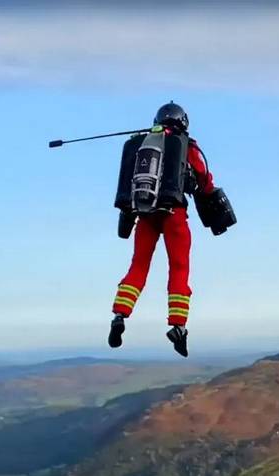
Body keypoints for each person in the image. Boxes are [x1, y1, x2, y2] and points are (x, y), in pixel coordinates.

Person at [108, 102, 216, 357]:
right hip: (174, 214)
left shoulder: (142, 145)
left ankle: (119, 316)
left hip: (144, 214)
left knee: (138, 267)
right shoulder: (186, 145)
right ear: (183, 122)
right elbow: (204, 179)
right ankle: (178, 326)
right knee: (179, 268)